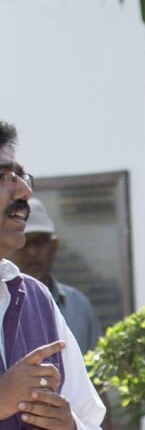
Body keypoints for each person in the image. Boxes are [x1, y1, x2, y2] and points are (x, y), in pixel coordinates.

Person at [0, 121, 105, 429]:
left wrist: (70, 426)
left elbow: (90, 419)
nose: (25, 190)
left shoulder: (36, 299)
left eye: (21, 176)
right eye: (5, 176)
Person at [8, 197, 113, 430]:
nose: (34, 251)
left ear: (54, 245)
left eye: (41, 242)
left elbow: (95, 391)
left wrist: (75, 424)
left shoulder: (78, 305)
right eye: (27, 241)